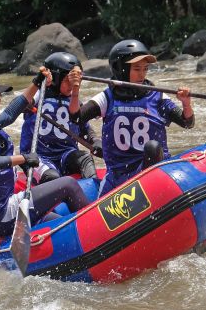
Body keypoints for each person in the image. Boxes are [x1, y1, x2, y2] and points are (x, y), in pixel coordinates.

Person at [0, 69, 91, 238]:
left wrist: (36, 83)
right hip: (0, 214)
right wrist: (22, 158)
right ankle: (94, 230)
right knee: (68, 184)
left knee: (56, 221)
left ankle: (80, 241)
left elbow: (10, 114)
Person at [69, 39, 194, 196]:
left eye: (145, 69)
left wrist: (186, 104)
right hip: (117, 176)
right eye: (137, 69)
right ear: (121, 69)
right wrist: (75, 90)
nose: (142, 74)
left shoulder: (157, 96)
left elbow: (187, 122)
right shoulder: (107, 97)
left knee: (152, 147)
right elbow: (76, 118)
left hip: (152, 172)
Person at [17, 52, 99, 182]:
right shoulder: (39, 95)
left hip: (66, 155)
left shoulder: (74, 102)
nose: (72, 85)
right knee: (52, 177)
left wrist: (95, 141)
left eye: (75, 81)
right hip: (39, 157)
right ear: (56, 78)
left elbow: (84, 128)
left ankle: (97, 195)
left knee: (85, 158)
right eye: (68, 80)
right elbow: (20, 105)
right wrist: (37, 83)